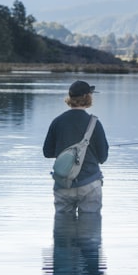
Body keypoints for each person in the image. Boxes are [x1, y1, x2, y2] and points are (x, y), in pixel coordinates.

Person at [43, 80, 109, 215]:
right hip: (90, 183)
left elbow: (47, 152)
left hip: (63, 183)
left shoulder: (57, 121)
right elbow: (103, 157)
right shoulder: (94, 123)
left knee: (63, 232)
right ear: (87, 97)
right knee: (90, 231)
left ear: (70, 98)